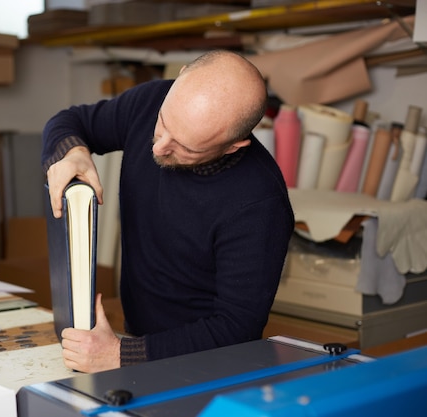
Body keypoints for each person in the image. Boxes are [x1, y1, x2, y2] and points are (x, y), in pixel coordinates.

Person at [42, 49, 294, 373]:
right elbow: (68, 121)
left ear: (234, 146)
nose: (159, 147)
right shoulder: (151, 100)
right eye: (163, 124)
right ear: (182, 76)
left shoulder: (259, 204)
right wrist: (72, 154)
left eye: (186, 148)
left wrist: (120, 355)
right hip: (134, 342)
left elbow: (236, 327)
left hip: (205, 368)